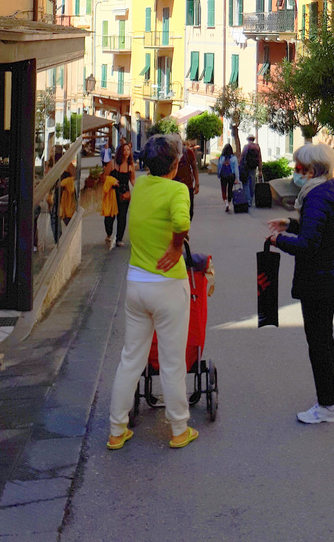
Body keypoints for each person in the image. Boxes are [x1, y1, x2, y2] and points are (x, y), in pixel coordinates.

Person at [107, 135, 197, 451]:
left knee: (131, 358)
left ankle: (117, 430)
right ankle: (178, 429)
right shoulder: (178, 190)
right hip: (168, 286)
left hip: (136, 284)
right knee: (172, 361)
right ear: (175, 164)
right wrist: (175, 246)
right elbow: (182, 221)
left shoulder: (140, 186)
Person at [267, 142, 334, 424]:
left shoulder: (317, 197)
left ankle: (327, 406)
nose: (296, 172)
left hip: (318, 280)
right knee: (323, 340)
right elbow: (319, 229)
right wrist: (290, 225)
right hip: (328, 277)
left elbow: (309, 245)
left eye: (300, 168)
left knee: (319, 343)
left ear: (314, 169)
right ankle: (327, 402)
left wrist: (279, 241)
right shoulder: (330, 192)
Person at [102, 140, 136, 249]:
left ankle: (119, 239)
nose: (127, 152)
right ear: (120, 152)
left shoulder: (131, 166)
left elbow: (133, 180)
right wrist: (112, 181)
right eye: (124, 150)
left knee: (122, 217)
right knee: (109, 217)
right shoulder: (113, 163)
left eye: (128, 150)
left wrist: (140, 188)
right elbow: (104, 177)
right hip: (112, 193)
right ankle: (109, 233)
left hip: (124, 193)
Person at [174, 137, 200, 220]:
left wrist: (197, 183)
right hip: (174, 186)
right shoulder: (170, 154)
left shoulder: (188, 152)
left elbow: (194, 167)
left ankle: (185, 227)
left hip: (187, 186)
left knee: (190, 211)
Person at [240, 134, 262, 208]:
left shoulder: (246, 147)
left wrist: (240, 167)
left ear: (248, 139)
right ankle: (251, 200)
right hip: (253, 168)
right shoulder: (257, 147)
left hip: (246, 168)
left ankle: (248, 200)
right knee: (252, 184)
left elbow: (242, 157)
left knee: (246, 184)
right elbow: (259, 159)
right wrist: (260, 170)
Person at [217, 143, 240, 212]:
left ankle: (226, 203)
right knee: (230, 190)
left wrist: (218, 174)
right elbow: (236, 169)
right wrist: (237, 178)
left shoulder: (221, 158)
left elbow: (219, 167)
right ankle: (229, 204)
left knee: (224, 190)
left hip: (223, 176)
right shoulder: (234, 158)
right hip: (231, 176)